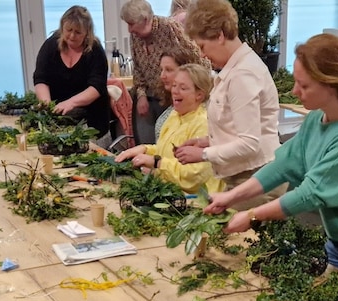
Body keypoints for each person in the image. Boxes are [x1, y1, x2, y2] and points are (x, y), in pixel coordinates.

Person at [202, 34, 338, 284]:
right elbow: (283, 166)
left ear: (330, 85)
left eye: (304, 85)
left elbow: (308, 194)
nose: (295, 91)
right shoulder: (317, 119)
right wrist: (230, 197)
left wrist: (252, 215)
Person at [176, 0, 280, 203]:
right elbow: (239, 127)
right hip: (246, 175)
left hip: (256, 178)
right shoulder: (236, 68)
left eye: (203, 46)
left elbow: (249, 144)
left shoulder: (243, 74)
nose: (203, 54)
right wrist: (208, 141)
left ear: (220, 35)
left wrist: (204, 154)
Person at [116, 64, 220, 194]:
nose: (175, 91)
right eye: (175, 85)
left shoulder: (203, 124)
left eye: (183, 88)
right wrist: (145, 149)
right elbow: (166, 152)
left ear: (199, 95)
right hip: (169, 191)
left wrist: (157, 164)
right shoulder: (174, 115)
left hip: (195, 202)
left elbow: (195, 176)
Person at [120, 0, 204, 144]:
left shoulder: (169, 28)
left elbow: (195, 58)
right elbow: (138, 69)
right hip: (149, 98)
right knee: (146, 145)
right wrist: (141, 95)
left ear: (145, 19)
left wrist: (187, 89)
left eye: (132, 23)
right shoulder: (135, 36)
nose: (129, 29)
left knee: (170, 144)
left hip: (173, 98)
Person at [32, 6, 110, 139]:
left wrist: (70, 103)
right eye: (68, 30)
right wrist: (47, 105)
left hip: (92, 122)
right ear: (62, 27)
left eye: (78, 32)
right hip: (58, 122)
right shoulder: (50, 46)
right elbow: (41, 78)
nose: (72, 36)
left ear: (87, 33)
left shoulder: (95, 51)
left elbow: (96, 87)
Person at [154, 49, 202, 139]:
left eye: (168, 70)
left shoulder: (201, 116)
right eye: (161, 70)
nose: (162, 76)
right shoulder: (173, 109)